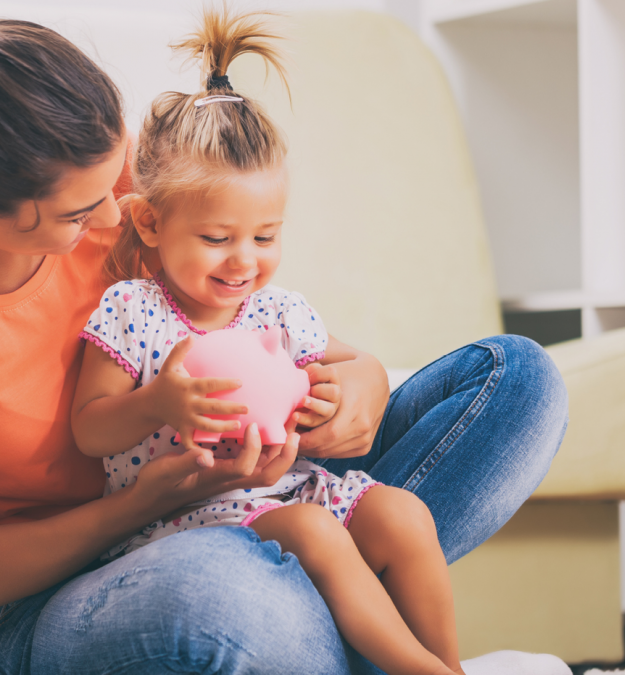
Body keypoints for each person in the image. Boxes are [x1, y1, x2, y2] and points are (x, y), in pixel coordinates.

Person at [0, 14, 570, 675]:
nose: (117, 221)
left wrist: (358, 393)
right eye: (81, 213)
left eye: (118, 186)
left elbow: (281, 336)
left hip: (256, 498)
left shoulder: (109, 193)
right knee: (220, 594)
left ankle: (345, 627)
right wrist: (144, 504)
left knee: (519, 381)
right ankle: (365, 630)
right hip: (67, 593)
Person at [70, 12, 464, 675]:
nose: (243, 261)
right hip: (181, 524)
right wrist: (158, 401)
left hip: (286, 490)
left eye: (265, 235)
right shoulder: (132, 311)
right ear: (151, 221)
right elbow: (89, 430)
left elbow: (329, 379)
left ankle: (448, 661)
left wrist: (324, 404)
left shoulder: (279, 311)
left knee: (402, 514)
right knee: (315, 532)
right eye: (217, 238)